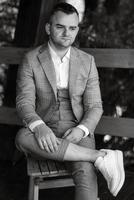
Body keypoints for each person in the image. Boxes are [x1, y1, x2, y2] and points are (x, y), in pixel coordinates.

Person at [15, 2, 125, 200]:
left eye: (72, 28)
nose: (67, 33)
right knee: (22, 137)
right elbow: (24, 102)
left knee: (85, 172)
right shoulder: (31, 59)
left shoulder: (87, 61)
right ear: (49, 28)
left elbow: (94, 106)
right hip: (45, 126)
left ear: (77, 30)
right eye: (60, 27)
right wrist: (39, 127)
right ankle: (100, 157)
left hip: (76, 127)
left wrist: (81, 130)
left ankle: (86, 157)